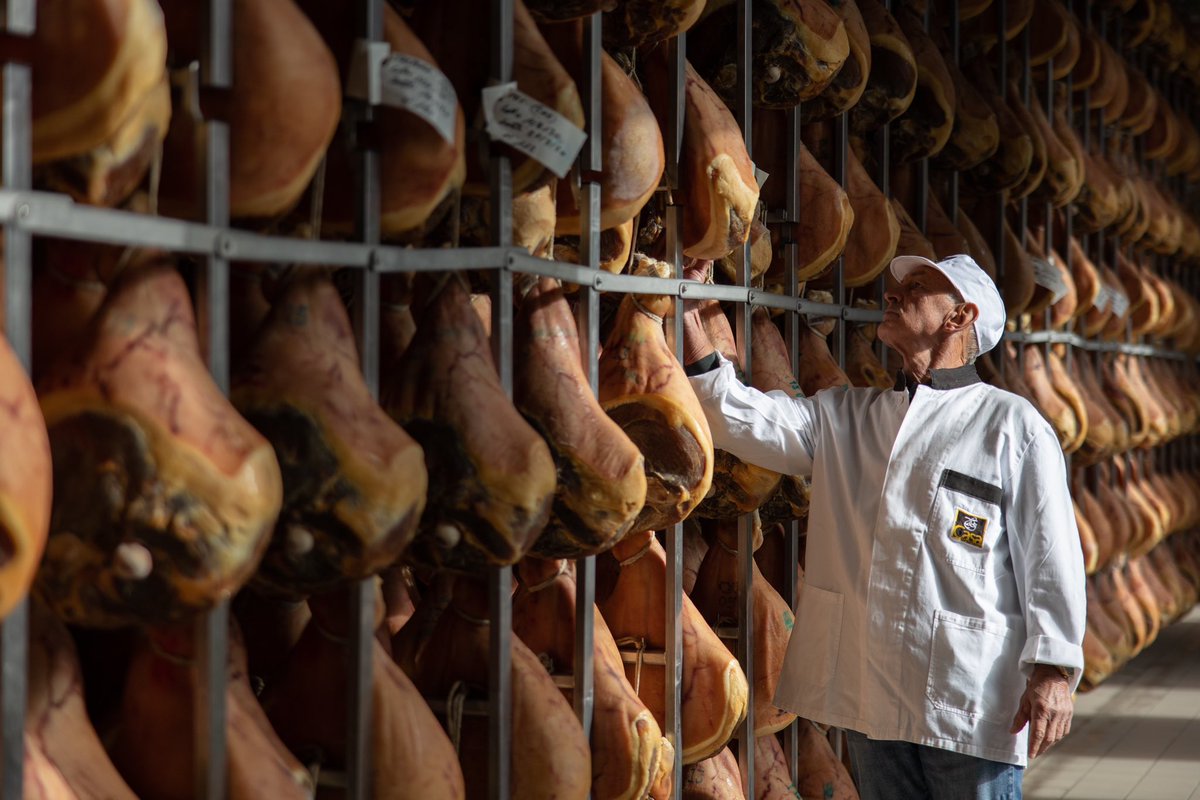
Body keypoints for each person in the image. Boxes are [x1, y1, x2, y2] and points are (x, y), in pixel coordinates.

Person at [682, 254, 1086, 800]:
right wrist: (686, 305)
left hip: (968, 694)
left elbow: (1051, 558)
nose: (892, 294)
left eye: (917, 287)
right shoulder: (849, 416)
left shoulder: (1012, 427)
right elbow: (737, 417)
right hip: (867, 688)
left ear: (959, 317)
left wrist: (1054, 671)